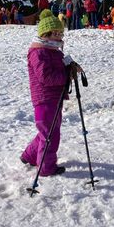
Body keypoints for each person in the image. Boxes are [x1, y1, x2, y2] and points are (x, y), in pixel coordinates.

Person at [21, 9, 82, 176]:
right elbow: (46, 77)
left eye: (60, 33)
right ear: (45, 34)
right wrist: (66, 75)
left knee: (48, 130)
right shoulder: (38, 52)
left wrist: (71, 66)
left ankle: (30, 155)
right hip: (44, 98)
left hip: (54, 97)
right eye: (55, 33)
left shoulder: (53, 49)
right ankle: (46, 167)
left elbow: (59, 66)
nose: (59, 36)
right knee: (50, 134)